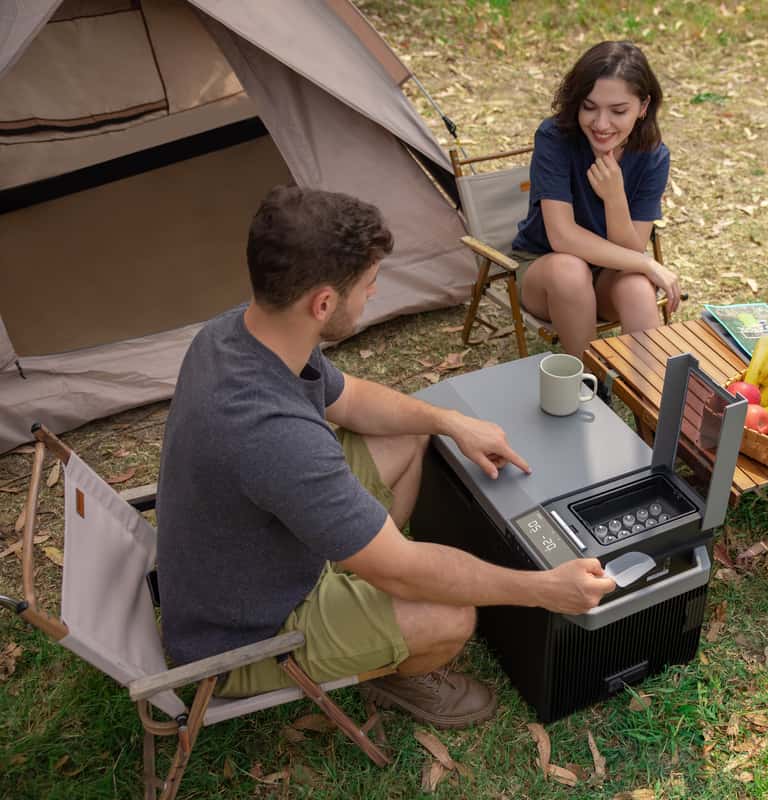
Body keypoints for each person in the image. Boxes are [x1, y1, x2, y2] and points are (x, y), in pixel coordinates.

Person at [156, 185, 616, 730]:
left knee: (411, 431)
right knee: (449, 616)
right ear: (323, 302)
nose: (373, 295)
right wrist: (543, 589)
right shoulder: (271, 434)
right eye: (369, 286)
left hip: (260, 549)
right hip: (246, 634)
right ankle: (395, 670)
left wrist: (449, 420)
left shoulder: (237, 332)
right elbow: (405, 572)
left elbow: (349, 399)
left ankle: (360, 567)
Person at [511, 40, 682, 358]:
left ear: (643, 107)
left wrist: (615, 197)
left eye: (618, 111)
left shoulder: (652, 156)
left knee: (636, 286)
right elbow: (562, 236)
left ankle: (651, 397)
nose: (601, 124)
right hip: (545, 271)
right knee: (570, 270)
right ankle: (589, 386)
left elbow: (629, 251)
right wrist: (647, 262)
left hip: (608, 274)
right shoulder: (554, 138)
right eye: (589, 107)